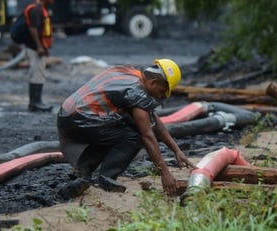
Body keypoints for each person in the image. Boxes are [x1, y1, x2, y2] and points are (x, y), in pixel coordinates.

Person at [57, 58, 197, 199]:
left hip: (67, 115)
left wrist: (176, 150)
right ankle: (106, 178)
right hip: (82, 119)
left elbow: (154, 120)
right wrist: (165, 173)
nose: (160, 96)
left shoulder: (130, 74)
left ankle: (82, 172)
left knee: (114, 132)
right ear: (153, 82)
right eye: (161, 91)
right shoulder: (137, 91)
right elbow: (147, 135)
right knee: (133, 135)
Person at [22, 0, 54, 112]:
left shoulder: (40, 9)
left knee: (38, 73)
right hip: (34, 48)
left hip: (38, 48)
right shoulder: (36, 10)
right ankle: (35, 103)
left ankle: (36, 102)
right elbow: (33, 28)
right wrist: (39, 46)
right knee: (36, 73)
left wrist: (44, 47)